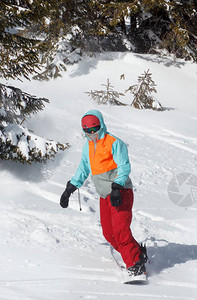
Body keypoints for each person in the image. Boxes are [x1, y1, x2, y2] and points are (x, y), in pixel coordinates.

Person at [59, 109, 147, 277]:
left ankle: (136, 265)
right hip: (104, 195)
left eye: (94, 129)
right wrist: (70, 188)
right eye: (87, 130)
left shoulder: (114, 142)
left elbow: (124, 167)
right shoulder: (88, 147)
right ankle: (137, 253)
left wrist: (117, 187)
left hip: (120, 192)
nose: (91, 133)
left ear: (101, 125)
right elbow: (83, 169)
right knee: (109, 233)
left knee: (121, 232)